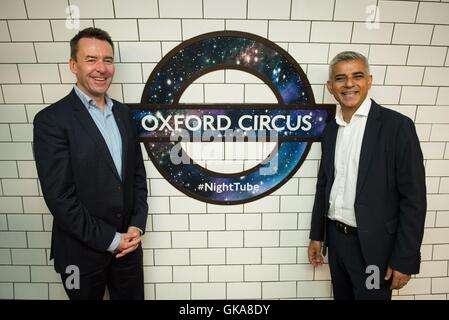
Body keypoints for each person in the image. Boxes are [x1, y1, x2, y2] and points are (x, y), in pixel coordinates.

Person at [33, 27, 148, 300]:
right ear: (73, 65)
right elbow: (60, 198)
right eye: (91, 59)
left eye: (108, 60)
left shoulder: (123, 113)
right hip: (80, 255)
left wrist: (135, 227)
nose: (102, 68)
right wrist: (111, 239)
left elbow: (136, 177)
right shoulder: (51, 121)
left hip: (128, 251)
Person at [308, 51, 426, 300]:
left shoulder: (397, 127)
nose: (349, 84)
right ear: (330, 87)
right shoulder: (330, 131)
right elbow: (324, 185)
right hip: (337, 244)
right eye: (340, 78)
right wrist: (317, 236)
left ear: (369, 81)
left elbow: (414, 198)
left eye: (357, 76)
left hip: (374, 250)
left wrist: (405, 258)